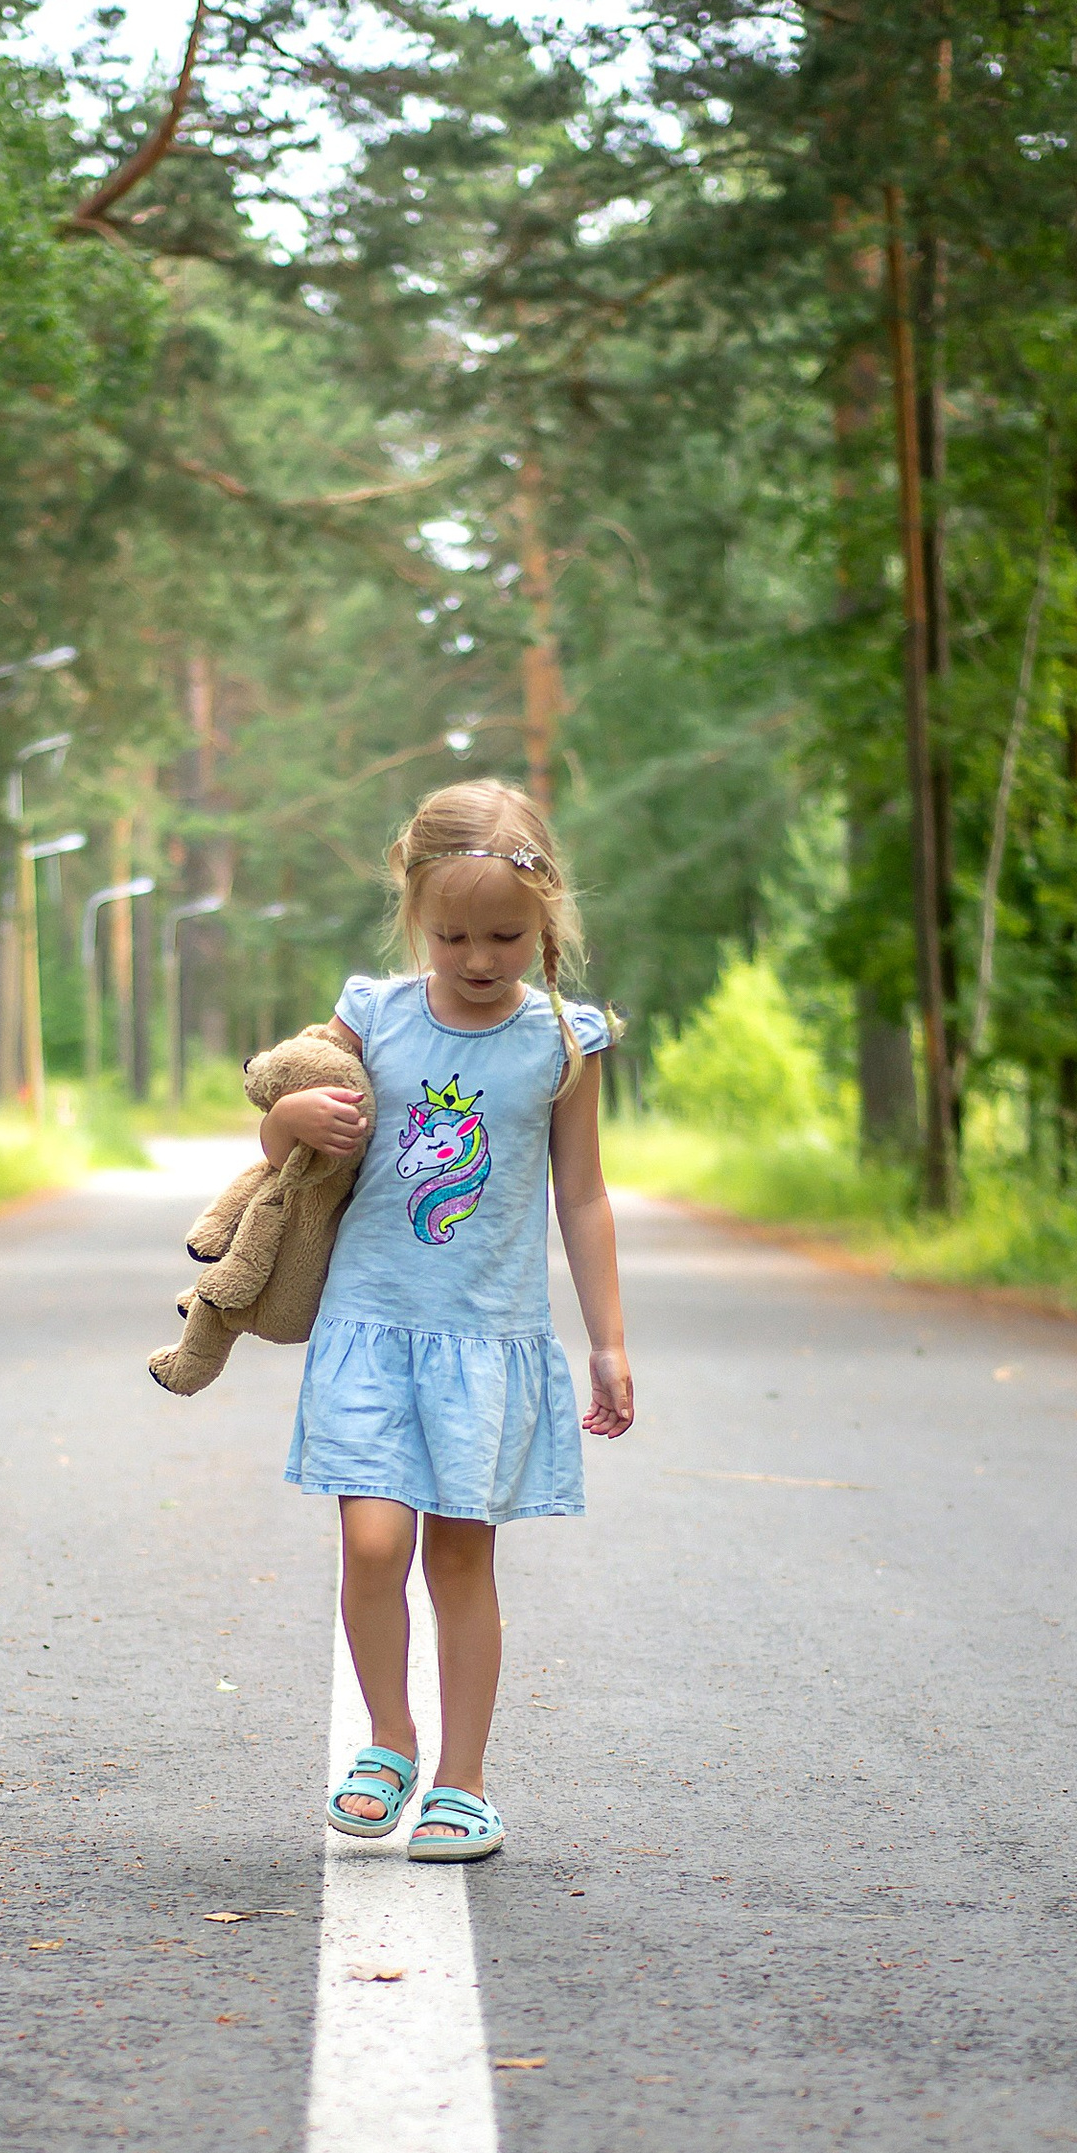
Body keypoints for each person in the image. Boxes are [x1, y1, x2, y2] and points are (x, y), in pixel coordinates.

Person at [264, 777, 634, 1864]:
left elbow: (584, 1194)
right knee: (373, 1543)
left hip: (486, 1344)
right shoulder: (371, 1015)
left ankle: (463, 1781)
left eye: (505, 936)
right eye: (453, 935)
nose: (478, 959)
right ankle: (387, 1741)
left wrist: (605, 1338)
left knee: (460, 1563)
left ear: (547, 916)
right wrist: (287, 1115)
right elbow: (280, 1159)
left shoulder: (562, 1040)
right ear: (414, 914)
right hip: (370, 1329)